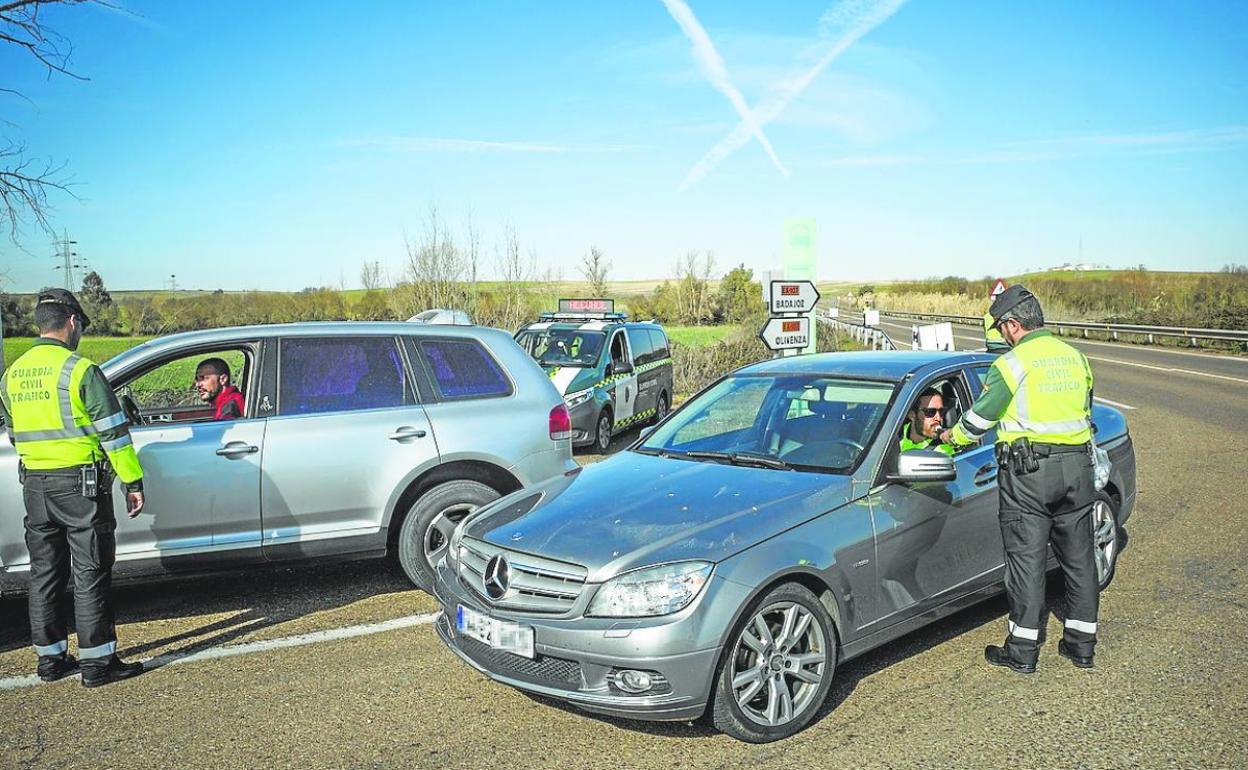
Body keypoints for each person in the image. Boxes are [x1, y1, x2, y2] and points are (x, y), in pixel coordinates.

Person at [941, 285, 1098, 674]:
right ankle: (1081, 646)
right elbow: (1085, 407)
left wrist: (949, 440)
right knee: (1079, 559)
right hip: (1077, 468)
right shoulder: (1075, 357)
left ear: (1013, 324)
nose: (1000, 334)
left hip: (1030, 474)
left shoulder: (1012, 365)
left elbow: (980, 420)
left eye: (1000, 327)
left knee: (1026, 562)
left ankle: (1023, 650)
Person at [0, 288, 146, 687]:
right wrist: (132, 481)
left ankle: (50, 661)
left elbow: (15, 433)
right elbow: (114, 434)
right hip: (79, 486)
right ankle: (98, 664)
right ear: (71, 322)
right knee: (90, 571)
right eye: (79, 325)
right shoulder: (80, 371)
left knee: (44, 572)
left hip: (35, 485)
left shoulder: (12, 374)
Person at [899, 387, 955, 456]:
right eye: (930, 412)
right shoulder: (894, 434)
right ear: (912, 415)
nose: (938, 418)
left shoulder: (944, 450)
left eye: (941, 411)